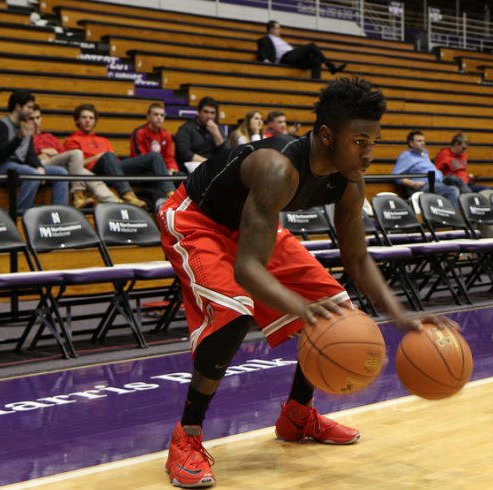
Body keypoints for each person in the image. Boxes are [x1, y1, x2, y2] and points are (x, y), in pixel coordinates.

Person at [157, 77, 445, 488]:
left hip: (254, 225)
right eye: (359, 141)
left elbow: (357, 259)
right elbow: (247, 271)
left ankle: (297, 415)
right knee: (234, 312)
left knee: (336, 305)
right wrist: (300, 308)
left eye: (374, 142)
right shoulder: (278, 167)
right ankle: (187, 436)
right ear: (327, 135)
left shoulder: (348, 179)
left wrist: (402, 316)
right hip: (196, 220)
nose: (368, 153)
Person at [64, 104, 174, 210]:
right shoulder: (71, 140)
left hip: (113, 170)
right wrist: (98, 157)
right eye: (84, 117)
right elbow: (75, 166)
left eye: (91, 118)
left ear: (95, 121)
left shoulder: (103, 140)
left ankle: (170, 192)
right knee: (107, 156)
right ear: (77, 120)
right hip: (94, 172)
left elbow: (113, 160)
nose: (88, 120)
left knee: (154, 156)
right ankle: (128, 195)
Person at [0, 90, 68, 212]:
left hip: (19, 166)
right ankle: (21, 212)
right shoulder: (0, 125)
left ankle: (61, 212)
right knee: (32, 174)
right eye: (29, 107)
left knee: (60, 172)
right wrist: (19, 138)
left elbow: (30, 153)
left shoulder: (26, 125)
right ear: (18, 107)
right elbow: (1, 155)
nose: (32, 111)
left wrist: (39, 166)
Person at [30, 104, 119, 208]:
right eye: (31, 118)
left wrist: (57, 155)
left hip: (56, 163)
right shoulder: (23, 136)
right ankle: (78, 194)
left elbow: (64, 154)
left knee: (80, 168)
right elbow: (20, 151)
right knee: (77, 154)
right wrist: (40, 151)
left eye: (38, 118)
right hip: (37, 163)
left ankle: (113, 201)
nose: (35, 121)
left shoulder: (49, 137)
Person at [256, 21, 346, 79]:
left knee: (316, 60)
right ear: (271, 29)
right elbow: (261, 51)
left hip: (293, 57)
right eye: (278, 28)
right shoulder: (265, 39)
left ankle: (315, 83)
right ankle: (331, 66)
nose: (280, 30)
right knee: (312, 46)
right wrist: (266, 61)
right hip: (285, 58)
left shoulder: (280, 39)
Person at [393, 130, 461, 205]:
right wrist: (414, 184)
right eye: (419, 141)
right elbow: (396, 176)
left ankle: (470, 199)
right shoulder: (406, 156)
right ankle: (451, 215)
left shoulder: (424, 154)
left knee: (456, 180)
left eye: (423, 140)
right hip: (426, 185)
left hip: (440, 180)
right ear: (411, 143)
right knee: (452, 190)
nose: (423, 143)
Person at [174, 96, 228, 172]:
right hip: (193, 166)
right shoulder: (187, 128)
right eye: (206, 112)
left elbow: (227, 154)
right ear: (198, 112)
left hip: (213, 167)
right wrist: (208, 162)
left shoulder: (216, 128)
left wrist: (217, 135)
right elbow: (184, 153)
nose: (209, 116)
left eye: (212, 113)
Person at [130, 102, 179, 175]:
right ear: (148, 116)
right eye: (155, 114)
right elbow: (140, 158)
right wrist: (163, 170)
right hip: (141, 169)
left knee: (179, 175)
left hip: (161, 169)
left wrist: (173, 169)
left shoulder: (167, 135)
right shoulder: (139, 133)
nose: (159, 118)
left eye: (162, 115)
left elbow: (169, 157)